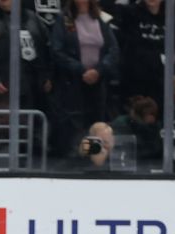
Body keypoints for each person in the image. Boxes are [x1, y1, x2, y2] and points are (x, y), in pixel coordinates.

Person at [51, 0, 119, 157]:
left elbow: (113, 50)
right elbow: (57, 51)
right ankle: (76, 158)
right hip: (72, 81)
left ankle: (92, 157)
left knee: (95, 122)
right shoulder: (64, 19)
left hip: (98, 81)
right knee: (76, 123)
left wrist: (99, 70)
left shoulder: (101, 18)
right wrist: (81, 70)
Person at [115, 0, 175, 109]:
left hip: (163, 84)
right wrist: (161, 58)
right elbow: (129, 48)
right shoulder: (130, 13)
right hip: (135, 81)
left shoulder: (172, 17)